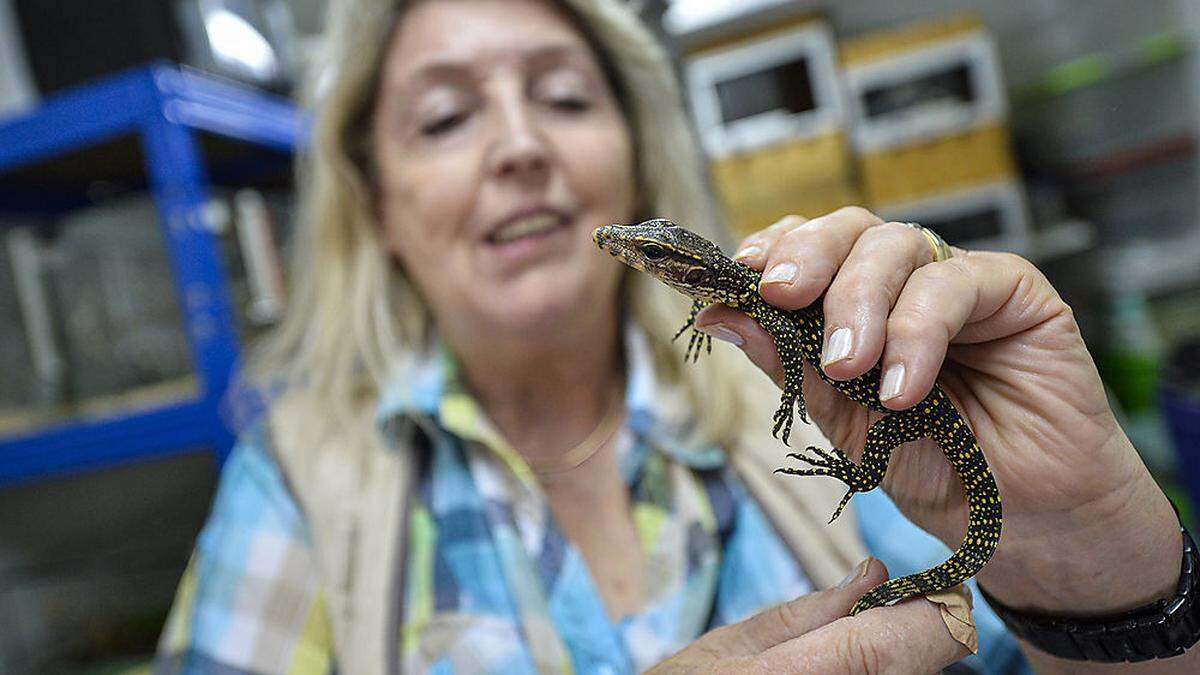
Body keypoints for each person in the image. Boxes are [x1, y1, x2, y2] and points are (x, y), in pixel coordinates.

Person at [155, 0, 1199, 672]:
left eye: (563, 97)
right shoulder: (299, 476)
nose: (519, 145)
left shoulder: (819, 406)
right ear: (377, 208)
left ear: (638, 158)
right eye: (443, 118)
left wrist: (1090, 570)